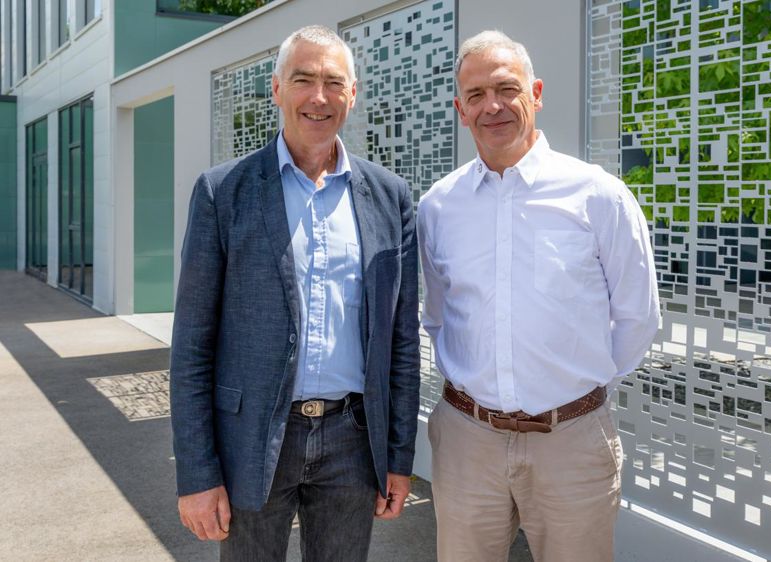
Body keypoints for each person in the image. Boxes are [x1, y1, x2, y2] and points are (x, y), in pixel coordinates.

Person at [169, 25, 420, 562]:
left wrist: (399, 457)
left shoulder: (390, 196)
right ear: (277, 89)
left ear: (353, 94)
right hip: (252, 439)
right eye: (303, 79)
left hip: (352, 441)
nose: (319, 97)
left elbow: (400, 342)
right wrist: (197, 474)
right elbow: (191, 346)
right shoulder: (223, 192)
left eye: (334, 82)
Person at [418, 30, 660, 562]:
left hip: (571, 441)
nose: (493, 106)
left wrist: (572, 391)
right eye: (476, 95)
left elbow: (637, 317)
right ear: (461, 110)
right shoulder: (438, 207)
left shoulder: (598, 195)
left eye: (507, 88)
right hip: (466, 442)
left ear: (537, 93)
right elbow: (437, 317)